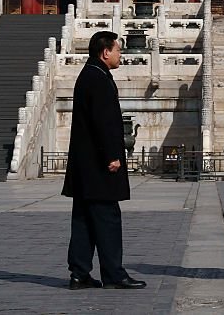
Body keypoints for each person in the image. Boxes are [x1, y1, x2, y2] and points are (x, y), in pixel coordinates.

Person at [62, 31, 146, 290]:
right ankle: (114, 274)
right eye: (118, 50)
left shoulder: (89, 74)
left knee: (84, 219)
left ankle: (79, 273)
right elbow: (103, 122)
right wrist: (111, 155)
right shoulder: (97, 78)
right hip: (99, 164)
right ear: (105, 52)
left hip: (85, 164)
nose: (121, 55)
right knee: (107, 218)